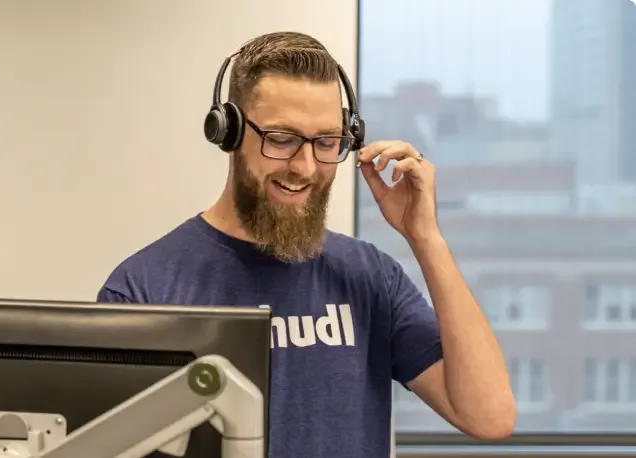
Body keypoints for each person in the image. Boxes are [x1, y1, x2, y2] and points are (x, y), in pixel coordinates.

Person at [97, 31, 516, 458]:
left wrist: (425, 237)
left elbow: (490, 416)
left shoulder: (370, 277)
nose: (306, 167)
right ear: (230, 131)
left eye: (326, 142)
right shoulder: (144, 289)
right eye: (281, 139)